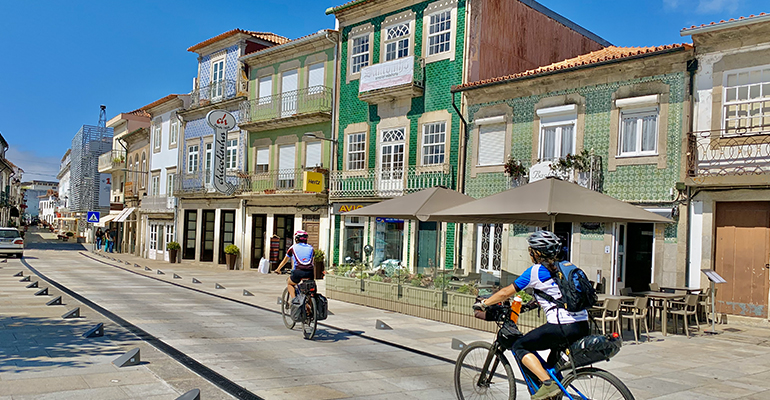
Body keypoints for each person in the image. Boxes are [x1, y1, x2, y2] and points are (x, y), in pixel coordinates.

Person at [474, 230, 590, 400]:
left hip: (562, 326)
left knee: (519, 346)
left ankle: (548, 385)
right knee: (551, 366)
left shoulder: (535, 271)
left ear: (537, 252)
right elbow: (556, 294)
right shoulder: (565, 267)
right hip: (582, 324)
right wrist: (531, 304)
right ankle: (553, 390)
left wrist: (484, 303)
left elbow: (506, 292)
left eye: (531, 250)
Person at [276, 230, 314, 299]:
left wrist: (278, 269)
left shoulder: (293, 248)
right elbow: (312, 261)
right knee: (309, 290)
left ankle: (295, 301)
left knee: (290, 283)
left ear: (296, 239)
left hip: (298, 272)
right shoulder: (311, 248)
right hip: (310, 272)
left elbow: (284, 261)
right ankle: (310, 306)